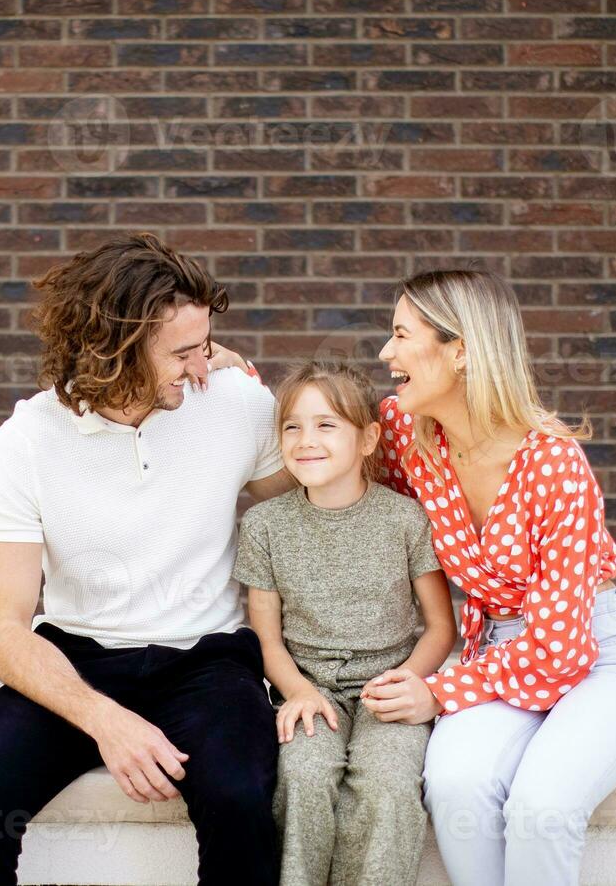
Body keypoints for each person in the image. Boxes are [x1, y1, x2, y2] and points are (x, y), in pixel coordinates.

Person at [0, 233, 297, 885]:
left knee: (244, 801)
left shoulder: (235, 404)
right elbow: (4, 632)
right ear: (117, 350)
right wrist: (106, 720)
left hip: (207, 660)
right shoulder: (25, 443)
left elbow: (322, 496)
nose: (201, 366)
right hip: (79, 659)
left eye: (206, 345)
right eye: (184, 352)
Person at [373, 269, 616, 885]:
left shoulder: (555, 463)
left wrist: (439, 692)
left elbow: (561, 650)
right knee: (454, 786)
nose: (386, 353)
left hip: (595, 654)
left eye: (402, 335)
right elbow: (325, 448)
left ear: (460, 350)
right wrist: (239, 384)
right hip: (496, 656)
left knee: (542, 807)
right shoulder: (406, 431)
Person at [231, 361, 456, 886]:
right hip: (307, 688)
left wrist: (408, 681)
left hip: (391, 689)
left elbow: (441, 627)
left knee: (388, 784)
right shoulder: (265, 524)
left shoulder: (406, 519)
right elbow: (264, 634)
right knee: (303, 778)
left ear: (369, 438)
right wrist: (298, 692)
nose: (306, 440)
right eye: (292, 426)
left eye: (326, 424)